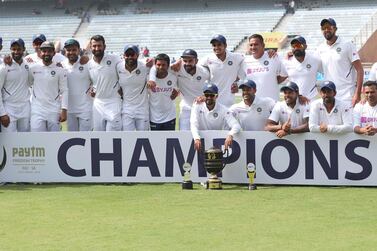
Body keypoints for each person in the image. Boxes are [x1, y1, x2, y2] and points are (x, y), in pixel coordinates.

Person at [317, 18, 364, 107]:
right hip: (330, 95)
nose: (326, 30)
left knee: (348, 121)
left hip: (348, 96)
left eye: (329, 27)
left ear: (335, 29)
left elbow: (360, 70)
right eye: (323, 28)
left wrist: (357, 94)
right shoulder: (320, 48)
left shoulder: (347, 44)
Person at [28, 41, 68, 132]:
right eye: (44, 51)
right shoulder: (33, 68)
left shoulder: (60, 70)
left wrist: (64, 109)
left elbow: (64, 90)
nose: (46, 53)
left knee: (54, 140)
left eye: (49, 51)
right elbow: (28, 83)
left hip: (54, 110)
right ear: (40, 52)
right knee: (37, 138)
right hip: (37, 110)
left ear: (54, 53)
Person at [191, 83, 241, 151]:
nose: (209, 97)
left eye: (211, 95)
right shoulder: (197, 106)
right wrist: (196, 138)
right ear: (203, 95)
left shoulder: (223, 109)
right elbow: (194, 124)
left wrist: (230, 135)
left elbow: (236, 125)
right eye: (206, 95)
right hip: (200, 141)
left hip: (216, 143)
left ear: (216, 96)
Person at [87, 35, 122, 131]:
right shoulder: (88, 64)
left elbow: (126, 69)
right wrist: (91, 89)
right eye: (94, 46)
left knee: (113, 135)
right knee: (99, 136)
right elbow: (88, 81)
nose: (97, 48)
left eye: (99, 45)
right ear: (90, 47)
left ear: (104, 46)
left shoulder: (115, 59)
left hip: (114, 102)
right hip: (97, 103)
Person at [199, 34, 245, 107]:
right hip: (213, 100)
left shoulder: (235, 57)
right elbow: (196, 69)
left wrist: (238, 83)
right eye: (214, 45)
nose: (216, 47)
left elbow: (251, 61)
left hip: (229, 102)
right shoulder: (207, 59)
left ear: (225, 45)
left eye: (219, 45)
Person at [241, 33, 288, 101]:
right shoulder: (245, 61)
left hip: (272, 103)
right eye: (251, 45)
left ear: (263, 45)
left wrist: (272, 81)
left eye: (256, 44)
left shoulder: (273, 57)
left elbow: (284, 75)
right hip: (253, 104)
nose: (253, 47)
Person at [61, 39, 93, 131]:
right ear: (65, 51)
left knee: (87, 138)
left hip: (86, 109)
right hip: (69, 110)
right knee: (73, 139)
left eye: (74, 50)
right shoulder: (61, 66)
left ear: (79, 50)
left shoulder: (87, 63)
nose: (71, 52)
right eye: (68, 50)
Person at [0, 38, 30, 132]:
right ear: (10, 50)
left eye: (19, 49)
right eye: (13, 49)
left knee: (25, 141)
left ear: (23, 49)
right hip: (9, 108)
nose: (16, 51)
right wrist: (2, 113)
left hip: (25, 107)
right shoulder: (4, 67)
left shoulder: (29, 65)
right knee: (9, 142)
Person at [175, 49, 210, 130]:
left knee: (202, 136)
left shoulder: (204, 72)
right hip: (185, 109)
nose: (187, 63)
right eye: (185, 61)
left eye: (190, 61)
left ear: (196, 61)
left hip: (201, 108)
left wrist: (205, 96)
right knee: (184, 135)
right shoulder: (177, 70)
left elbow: (213, 86)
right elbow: (161, 68)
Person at [117, 45, 149, 131]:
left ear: (138, 55)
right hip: (127, 110)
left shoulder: (145, 67)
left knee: (143, 139)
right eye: (128, 54)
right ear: (124, 56)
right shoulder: (118, 67)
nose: (130, 57)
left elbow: (158, 65)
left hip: (142, 110)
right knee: (127, 139)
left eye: (132, 54)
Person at [283, 36, 322, 101]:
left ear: (305, 46)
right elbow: (279, 79)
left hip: (311, 100)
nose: (296, 48)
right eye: (293, 46)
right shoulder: (286, 62)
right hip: (294, 100)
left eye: (299, 45)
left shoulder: (315, 60)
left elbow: (327, 72)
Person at [148, 53, 178, 130]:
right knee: (156, 142)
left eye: (164, 65)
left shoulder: (173, 77)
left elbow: (181, 85)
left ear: (168, 66)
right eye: (158, 64)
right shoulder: (148, 78)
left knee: (170, 141)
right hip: (154, 117)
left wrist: (177, 90)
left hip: (170, 116)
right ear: (155, 65)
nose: (161, 67)